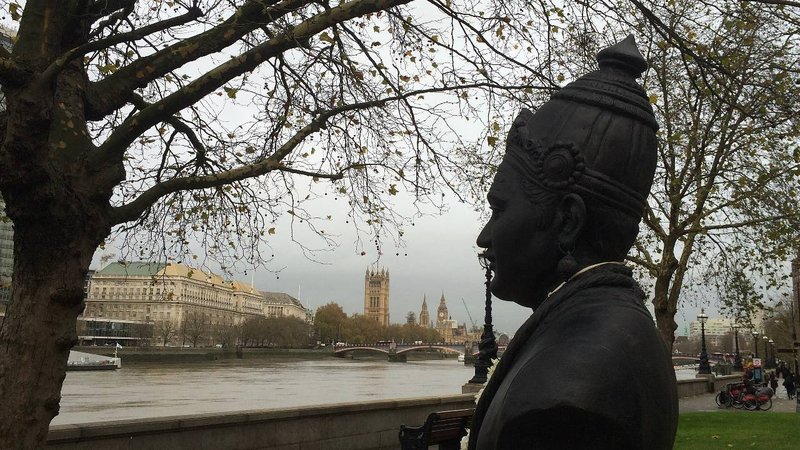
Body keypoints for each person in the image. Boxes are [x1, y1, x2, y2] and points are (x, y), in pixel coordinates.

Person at [468, 35, 678, 450]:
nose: (484, 237)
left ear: (567, 219)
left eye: (500, 210)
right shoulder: (629, 330)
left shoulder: (561, 396)